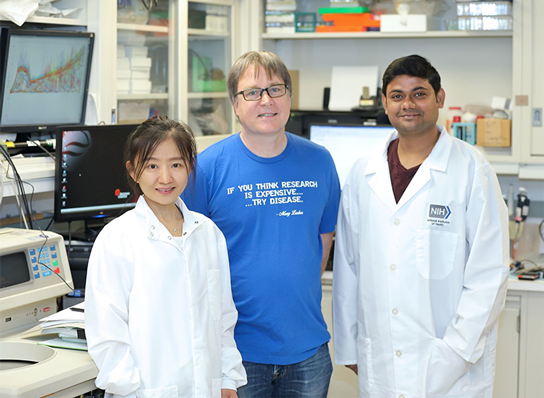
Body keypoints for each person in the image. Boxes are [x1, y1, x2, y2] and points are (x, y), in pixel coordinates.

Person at [333, 55, 509, 398]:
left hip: (452, 364)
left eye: (419, 93)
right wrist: (350, 346)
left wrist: (457, 350)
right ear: (384, 103)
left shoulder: (472, 169)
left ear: (439, 99)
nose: (408, 104)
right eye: (397, 96)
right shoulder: (362, 172)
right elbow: (348, 267)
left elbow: (489, 273)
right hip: (380, 361)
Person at [182, 51, 341, 398]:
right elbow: (188, 257)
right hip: (236, 356)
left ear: (289, 98)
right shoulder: (206, 169)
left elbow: (323, 238)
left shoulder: (320, 161)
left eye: (275, 89)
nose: (266, 100)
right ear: (235, 106)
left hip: (309, 350)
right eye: (252, 92)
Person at [85, 116, 247, 398]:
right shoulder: (117, 239)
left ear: (189, 168)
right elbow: (107, 336)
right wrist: (132, 389)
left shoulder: (207, 234)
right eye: (152, 166)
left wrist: (227, 379)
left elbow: (223, 319)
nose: (165, 178)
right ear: (133, 171)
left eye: (176, 164)